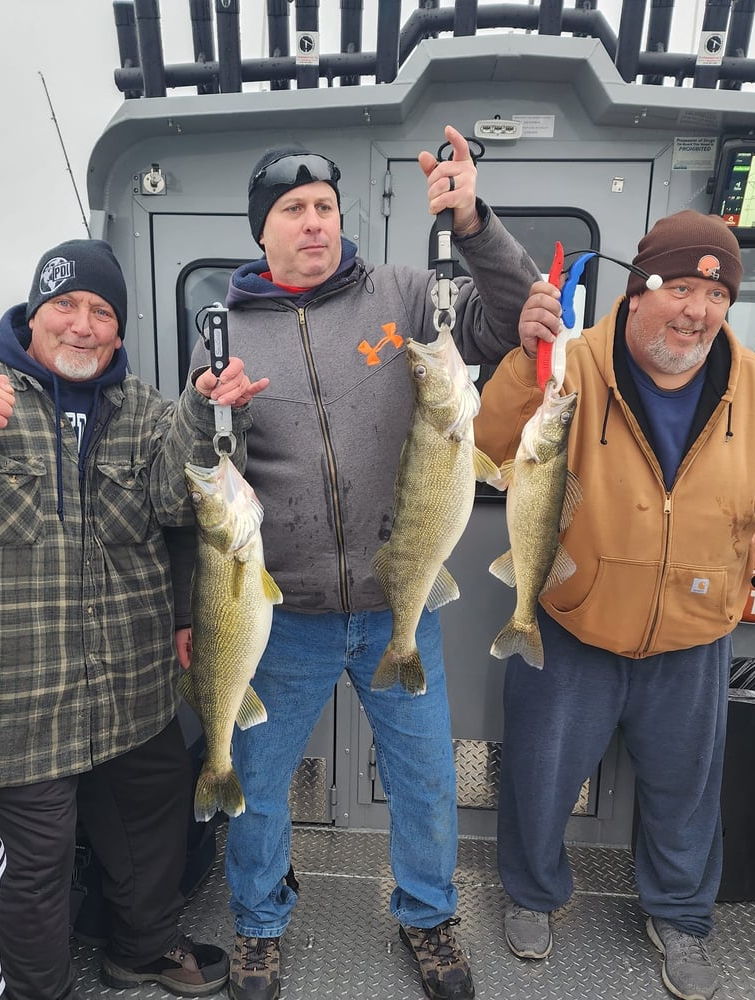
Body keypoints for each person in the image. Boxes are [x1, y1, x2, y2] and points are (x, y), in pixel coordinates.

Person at [186, 126, 540, 1000]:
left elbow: (507, 323)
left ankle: (429, 917)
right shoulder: (226, 333)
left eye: (325, 209)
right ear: (260, 231)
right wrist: (202, 414)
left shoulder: (408, 291)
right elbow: (202, 464)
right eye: (294, 211)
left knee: (424, 780)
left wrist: (475, 222)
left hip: (396, 605)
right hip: (285, 616)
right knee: (258, 784)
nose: (314, 224)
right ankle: (260, 925)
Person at [473, 209, 755, 1000]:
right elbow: (491, 438)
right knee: (541, 777)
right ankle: (533, 893)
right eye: (681, 287)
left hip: (693, 627)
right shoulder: (574, 362)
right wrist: (524, 357)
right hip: (575, 614)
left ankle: (681, 916)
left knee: (686, 791)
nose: (697, 311)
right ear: (640, 290)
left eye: (715, 296)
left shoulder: (753, 382)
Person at [0, 238, 267, 1000]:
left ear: (119, 329)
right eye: (65, 306)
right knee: (38, 863)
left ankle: (141, 949)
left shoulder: (143, 408)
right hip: (8, 702)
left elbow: (178, 503)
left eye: (101, 311)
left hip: (126, 687)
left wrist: (206, 409)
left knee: (155, 815)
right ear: (34, 311)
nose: (82, 325)